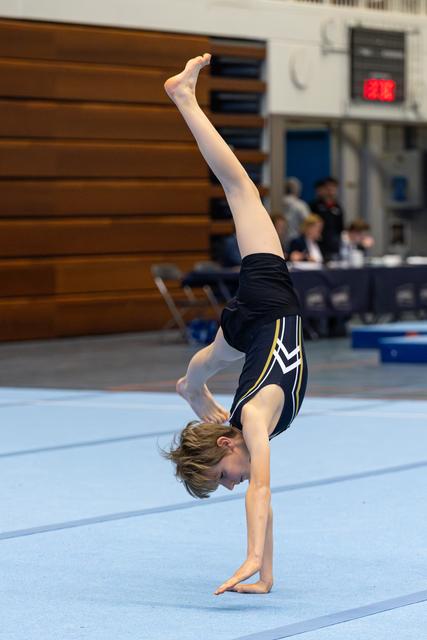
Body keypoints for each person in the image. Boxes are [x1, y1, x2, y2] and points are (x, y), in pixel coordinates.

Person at [162, 54, 308, 596]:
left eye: (223, 478)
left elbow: (262, 493)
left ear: (227, 448)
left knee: (240, 188)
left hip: (268, 305)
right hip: (251, 335)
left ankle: (183, 97)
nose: (233, 485)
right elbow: (258, 488)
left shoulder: (252, 423)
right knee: (204, 367)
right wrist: (265, 578)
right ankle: (190, 387)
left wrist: (248, 556)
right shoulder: (245, 427)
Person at [310, 177, 345, 261]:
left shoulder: (338, 207)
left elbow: (341, 226)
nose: (330, 191)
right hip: (319, 242)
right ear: (323, 189)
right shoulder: (314, 206)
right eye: (328, 188)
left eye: (333, 188)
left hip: (334, 243)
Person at [282, 177, 310, 242]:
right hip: (296, 239)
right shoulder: (301, 205)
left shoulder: (276, 203)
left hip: (280, 239)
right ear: (297, 190)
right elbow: (308, 222)